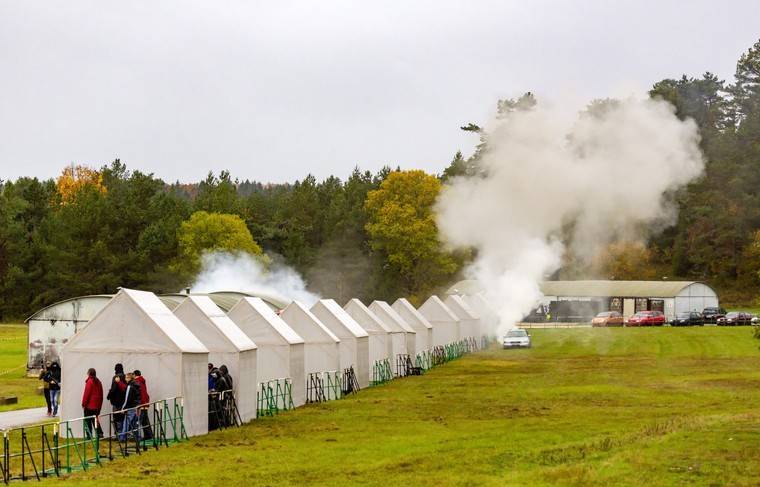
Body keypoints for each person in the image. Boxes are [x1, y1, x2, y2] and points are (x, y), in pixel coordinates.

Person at [119, 373, 141, 443]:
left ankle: (122, 437)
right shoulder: (137, 385)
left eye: (126, 378)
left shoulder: (130, 386)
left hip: (131, 407)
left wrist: (123, 408)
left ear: (129, 378)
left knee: (126, 422)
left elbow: (127, 398)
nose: (125, 379)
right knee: (135, 423)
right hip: (136, 406)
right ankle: (138, 437)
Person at [81, 368, 103, 438]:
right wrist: (99, 406)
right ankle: (100, 434)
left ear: (89, 373)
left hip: (89, 406)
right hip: (96, 406)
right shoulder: (99, 382)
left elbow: (86, 394)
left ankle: (89, 436)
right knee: (95, 421)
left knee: (87, 421)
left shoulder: (89, 381)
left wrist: (83, 404)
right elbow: (101, 395)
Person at [106, 363, 126, 433]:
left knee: (116, 417)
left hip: (116, 401)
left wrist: (108, 396)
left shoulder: (116, 377)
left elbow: (113, 389)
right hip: (124, 401)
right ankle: (124, 433)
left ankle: (118, 433)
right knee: (123, 417)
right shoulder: (125, 376)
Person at [133, 370, 153, 441]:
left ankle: (137, 437)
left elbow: (139, 394)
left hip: (141, 404)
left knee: (138, 421)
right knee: (145, 421)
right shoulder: (142, 381)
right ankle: (149, 435)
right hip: (145, 403)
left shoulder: (136, 382)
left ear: (134, 375)